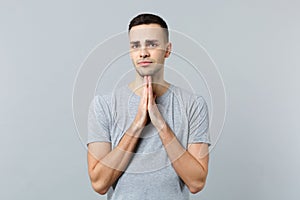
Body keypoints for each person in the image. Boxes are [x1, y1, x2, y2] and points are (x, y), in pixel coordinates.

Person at [87, 13, 210, 200]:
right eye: (136, 46)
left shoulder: (194, 105)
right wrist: (137, 124)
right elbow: (99, 184)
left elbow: (196, 182)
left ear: (167, 50)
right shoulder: (103, 105)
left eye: (152, 44)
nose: (143, 52)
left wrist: (160, 123)